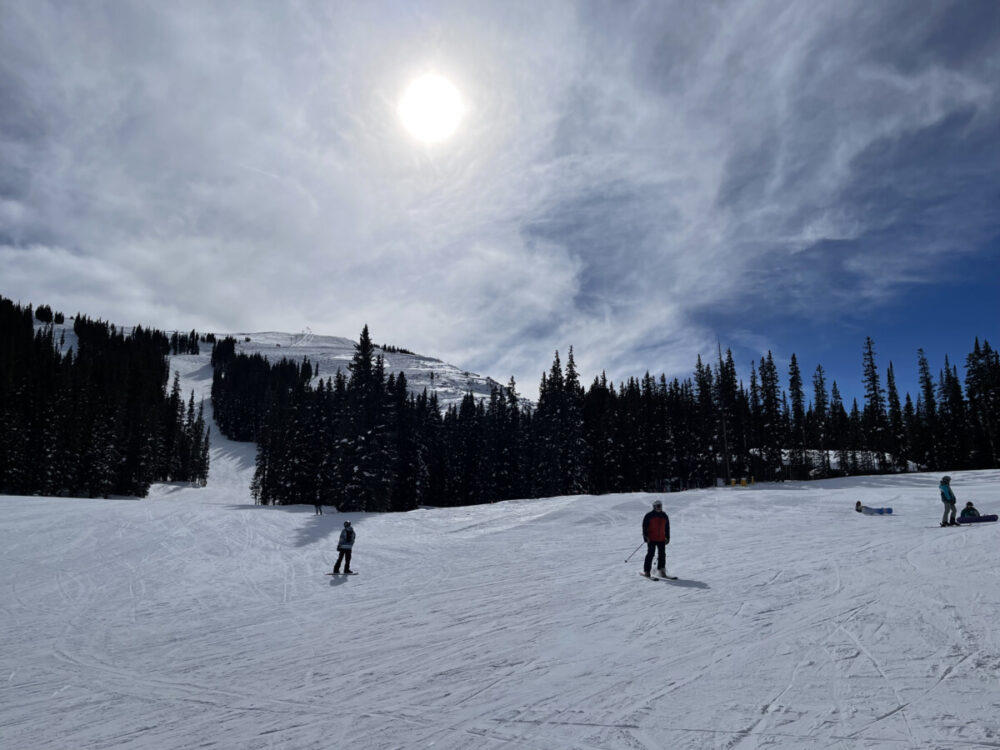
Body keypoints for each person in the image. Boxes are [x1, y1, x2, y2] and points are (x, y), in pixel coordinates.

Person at [641, 499, 670, 578]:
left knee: (662, 555)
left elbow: (667, 527)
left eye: (660, 506)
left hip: (661, 539)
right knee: (650, 554)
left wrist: (667, 537)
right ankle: (647, 571)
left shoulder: (664, 515)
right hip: (651, 539)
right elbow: (644, 527)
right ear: (654, 507)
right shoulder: (649, 515)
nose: (659, 508)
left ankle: (661, 570)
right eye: (657, 506)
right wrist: (645, 537)